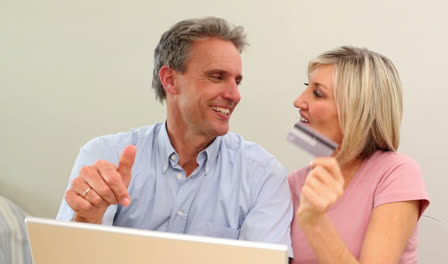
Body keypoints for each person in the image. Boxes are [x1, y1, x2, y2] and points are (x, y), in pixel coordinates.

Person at [56, 17, 293, 256]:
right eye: (217, 76)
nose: (235, 95)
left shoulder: (264, 177)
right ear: (170, 80)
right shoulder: (103, 157)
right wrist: (87, 220)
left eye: (237, 81)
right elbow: (64, 258)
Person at [288, 46, 429, 263]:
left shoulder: (398, 173)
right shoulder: (294, 183)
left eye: (317, 93)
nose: (298, 101)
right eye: (307, 87)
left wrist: (315, 220)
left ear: (356, 110)